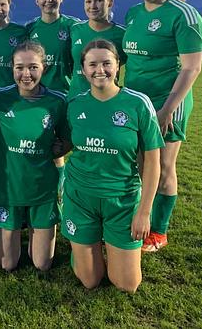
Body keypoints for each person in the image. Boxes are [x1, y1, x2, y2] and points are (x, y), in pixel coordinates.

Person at [62, 39, 163, 292]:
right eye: (92, 64)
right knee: (90, 280)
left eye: (107, 63)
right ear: (83, 69)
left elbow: (153, 163)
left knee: (127, 284)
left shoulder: (138, 103)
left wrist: (144, 212)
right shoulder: (74, 104)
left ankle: (102, 245)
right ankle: (83, 246)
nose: (100, 70)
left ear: (118, 65)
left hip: (122, 200)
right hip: (80, 197)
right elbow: (64, 142)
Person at [123, 0, 202, 252]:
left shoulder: (184, 14)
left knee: (164, 165)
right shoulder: (133, 14)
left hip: (167, 102)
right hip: (137, 102)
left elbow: (192, 67)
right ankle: (138, 219)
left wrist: (167, 109)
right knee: (140, 164)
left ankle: (159, 230)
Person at [0, 41, 69, 271]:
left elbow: (67, 138)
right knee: (7, 264)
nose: (26, 74)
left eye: (33, 67)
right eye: (19, 67)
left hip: (42, 188)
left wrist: (59, 149)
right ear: (11, 68)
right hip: (7, 188)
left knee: (42, 264)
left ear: (44, 67)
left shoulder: (57, 101)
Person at [26, 0, 80, 194]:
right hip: (37, 98)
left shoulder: (73, 26)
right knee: (41, 144)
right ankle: (42, 187)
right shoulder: (30, 28)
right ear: (36, 1)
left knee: (63, 145)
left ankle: (62, 189)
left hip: (65, 96)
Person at [69, 0, 127, 98]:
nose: (93, 6)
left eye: (99, 0)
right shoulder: (75, 30)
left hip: (108, 101)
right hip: (76, 100)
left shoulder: (122, 34)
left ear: (110, 3)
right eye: (88, 1)